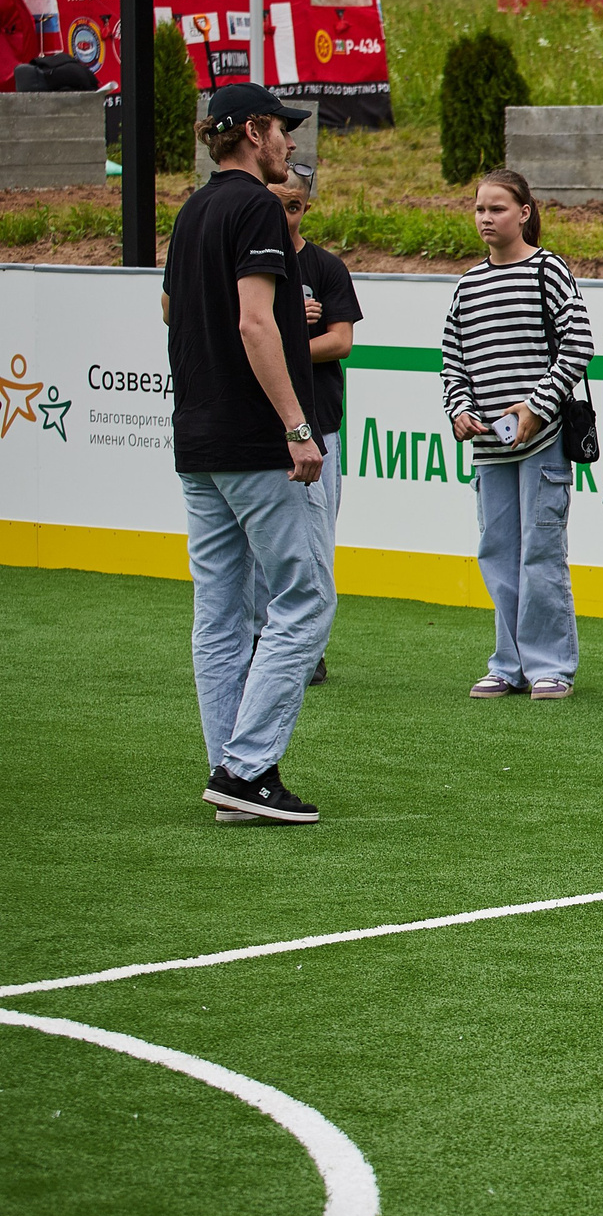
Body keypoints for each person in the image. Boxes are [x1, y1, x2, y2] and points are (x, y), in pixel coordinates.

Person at [164, 82, 332, 824]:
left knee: (222, 611)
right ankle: (246, 766)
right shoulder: (257, 206)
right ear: (253, 132)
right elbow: (256, 325)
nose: (290, 144)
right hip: (255, 441)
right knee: (305, 601)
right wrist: (297, 425)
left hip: (198, 440)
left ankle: (230, 767)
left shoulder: (193, 210)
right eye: (282, 131)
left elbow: (172, 309)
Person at [442, 168, 593, 702]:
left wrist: (535, 408)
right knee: (498, 550)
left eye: (498, 208)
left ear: (524, 213)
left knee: (540, 552)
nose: (486, 217)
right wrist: (458, 409)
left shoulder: (548, 270)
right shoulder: (466, 284)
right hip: (488, 447)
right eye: (480, 208)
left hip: (543, 439)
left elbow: (578, 345)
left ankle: (551, 665)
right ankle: (508, 664)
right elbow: (452, 359)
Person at [249, 164, 359, 688]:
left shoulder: (326, 266)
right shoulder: (247, 259)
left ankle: (309, 649)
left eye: (292, 205)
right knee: (256, 544)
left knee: (314, 540)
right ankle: (256, 640)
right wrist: (289, 332)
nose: (284, 214)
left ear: (305, 207)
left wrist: (280, 344)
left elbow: (340, 342)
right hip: (255, 422)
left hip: (321, 423)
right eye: (275, 204)